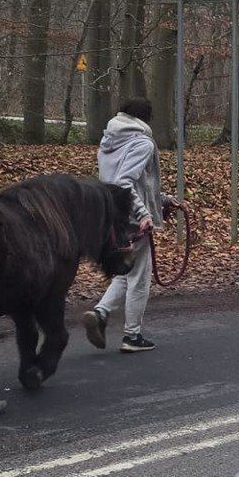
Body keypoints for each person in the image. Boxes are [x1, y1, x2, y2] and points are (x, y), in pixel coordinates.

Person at [84, 99, 160, 353]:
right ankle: (132, 336)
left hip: (111, 214)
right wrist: (143, 213)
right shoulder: (142, 143)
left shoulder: (109, 140)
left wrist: (161, 200)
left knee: (127, 271)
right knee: (139, 278)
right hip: (132, 219)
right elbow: (125, 181)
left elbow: (126, 181)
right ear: (145, 120)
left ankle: (101, 313)